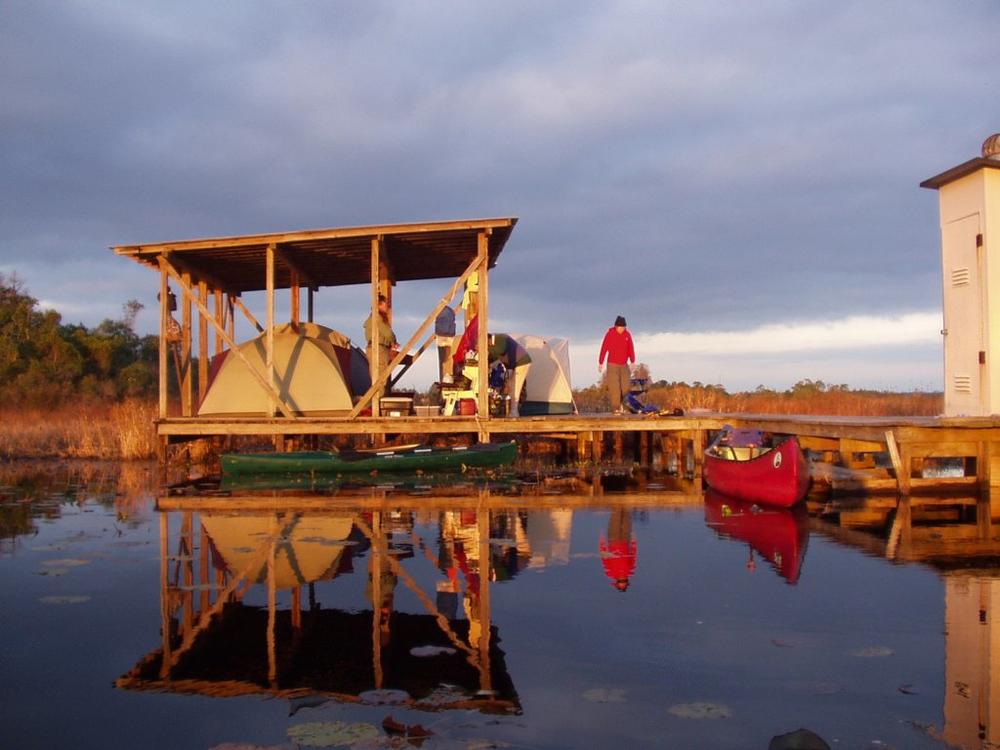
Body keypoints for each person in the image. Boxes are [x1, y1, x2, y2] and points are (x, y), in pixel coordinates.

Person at [598, 315, 635, 413]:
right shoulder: (610, 334)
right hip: (612, 364)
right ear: (616, 326)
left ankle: (622, 404)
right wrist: (600, 362)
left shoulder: (627, 335)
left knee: (625, 386)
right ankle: (616, 408)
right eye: (620, 328)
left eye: (624, 328)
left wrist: (633, 361)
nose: (622, 329)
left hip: (624, 365)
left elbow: (630, 348)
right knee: (615, 387)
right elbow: (604, 348)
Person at [364, 295, 399, 389]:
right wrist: (394, 341)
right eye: (385, 304)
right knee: (381, 380)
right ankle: (378, 401)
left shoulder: (371, 318)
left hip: (373, 349)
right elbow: (388, 333)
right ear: (379, 305)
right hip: (379, 350)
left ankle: (377, 400)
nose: (387, 307)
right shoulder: (378, 318)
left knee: (376, 379)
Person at [599, 507, 637, 592]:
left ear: (616, 581)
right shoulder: (630, 571)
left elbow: (604, 557)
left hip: (613, 541)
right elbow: (633, 555)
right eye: (624, 581)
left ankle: (617, 504)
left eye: (621, 581)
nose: (622, 578)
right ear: (627, 581)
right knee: (626, 515)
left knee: (615, 516)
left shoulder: (610, 573)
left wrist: (602, 542)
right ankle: (625, 501)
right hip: (626, 540)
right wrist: (634, 541)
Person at [435, 304, 456, 383]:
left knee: (442, 360)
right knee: (448, 357)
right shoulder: (450, 312)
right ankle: (446, 376)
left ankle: (443, 377)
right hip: (449, 336)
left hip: (441, 335)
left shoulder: (441, 311)